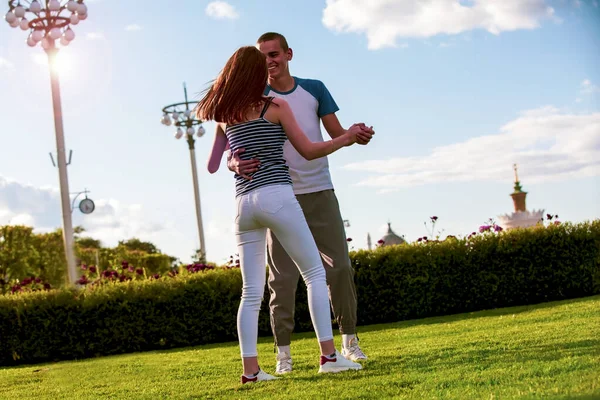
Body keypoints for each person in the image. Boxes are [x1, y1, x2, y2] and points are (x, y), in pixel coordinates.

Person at [196, 46, 364, 384]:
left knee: (251, 291)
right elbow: (309, 150)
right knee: (315, 274)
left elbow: (214, 165)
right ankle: (329, 357)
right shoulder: (276, 107)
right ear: (255, 73)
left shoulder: (223, 113)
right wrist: (344, 139)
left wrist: (234, 162)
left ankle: (251, 372)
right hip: (277, 196)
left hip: (244, 206)